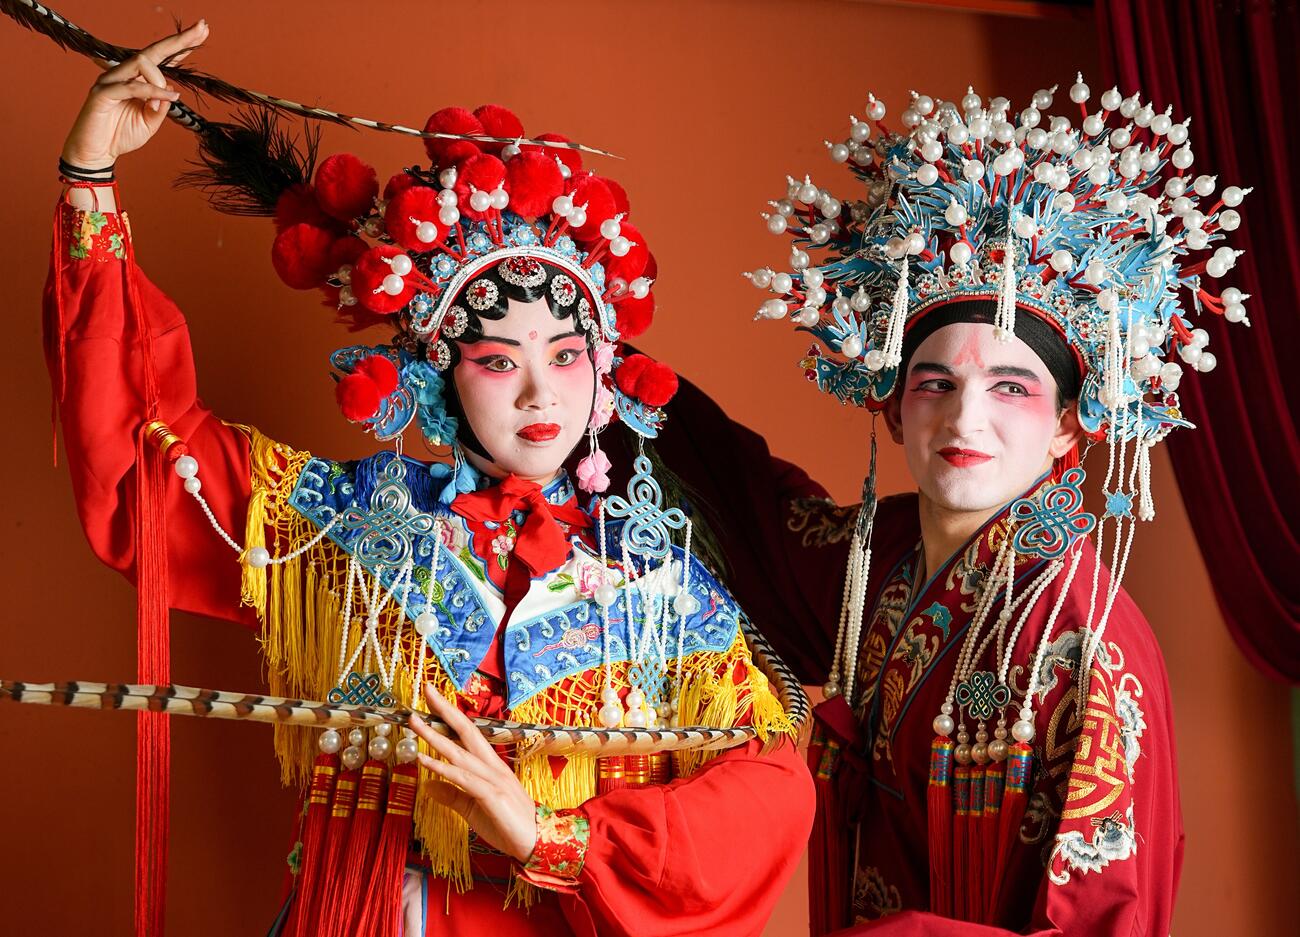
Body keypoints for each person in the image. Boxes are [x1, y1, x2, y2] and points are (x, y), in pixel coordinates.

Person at [46, 19, 813, 937]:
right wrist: (89, 180)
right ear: (440, 373)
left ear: (606, 367)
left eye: (567, 355)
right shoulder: (348, 531)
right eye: (497, 361)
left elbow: (770, 795)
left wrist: (555, 838)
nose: (540, 392)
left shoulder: (659, 584)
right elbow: (146, 453)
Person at [656, 76, 1253, 934]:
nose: (965, 419)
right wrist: (584, 359)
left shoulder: (1087, 643)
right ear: (892, 405)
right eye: (936, 382)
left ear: (1069, 425)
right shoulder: (879, 561)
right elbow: (751, 509)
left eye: (1012, 388)